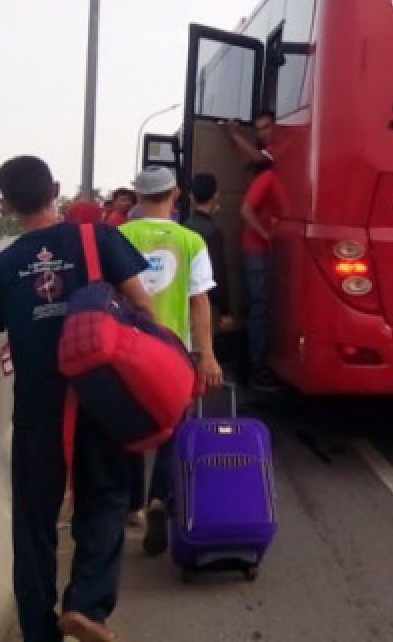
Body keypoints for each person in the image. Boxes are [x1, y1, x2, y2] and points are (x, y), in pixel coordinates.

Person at [0, 156, 150, 642]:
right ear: (57, 189)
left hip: (38, 405)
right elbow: (141, 302)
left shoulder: (0, 266)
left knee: (33, 520)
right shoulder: (98, 239)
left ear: (4, 206)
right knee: (105, 497)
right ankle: (87, 605)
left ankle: (38, 633)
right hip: (99, 395)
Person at [120, 166, 224, 556]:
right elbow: (200, 301)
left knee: (128, 424)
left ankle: (132, 504)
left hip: (127, 349)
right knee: (172, 426)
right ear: (175, 194)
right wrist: (207, 355)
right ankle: (159, 497)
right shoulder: (192, 241)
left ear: (137, 197)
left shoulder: (119, 236)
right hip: (172, 351)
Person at [239, 159, 281, 390]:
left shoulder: (284, 180)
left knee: (265, 306)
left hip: (267, 251)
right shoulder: (268, 178)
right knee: (260, 306)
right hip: (256, 251)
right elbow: (245, 210)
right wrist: (266, 235)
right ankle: (257, 369)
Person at [183, 173, 234, 334]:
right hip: (204, 302)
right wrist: (225, 310)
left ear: (191, 197)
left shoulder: (183, 227)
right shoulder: (213, 232)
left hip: (182, 299)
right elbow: (217, 273)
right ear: (216, 195)